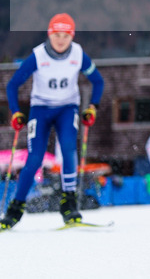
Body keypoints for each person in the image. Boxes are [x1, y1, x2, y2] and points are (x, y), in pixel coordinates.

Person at [1, 13, 104, 229]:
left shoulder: (78, 54)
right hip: (41, 109)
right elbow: (13, 85)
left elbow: (98, 81)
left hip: (68, 108)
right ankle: (15, 209)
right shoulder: (38, 56)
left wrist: (93, 106)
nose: (60, 40)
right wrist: (16, 112)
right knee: (35, 159)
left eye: (65, 35)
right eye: (56, 35)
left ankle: (69, 204)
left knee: (68, 148)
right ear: (50, 34)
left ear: (72, 37)